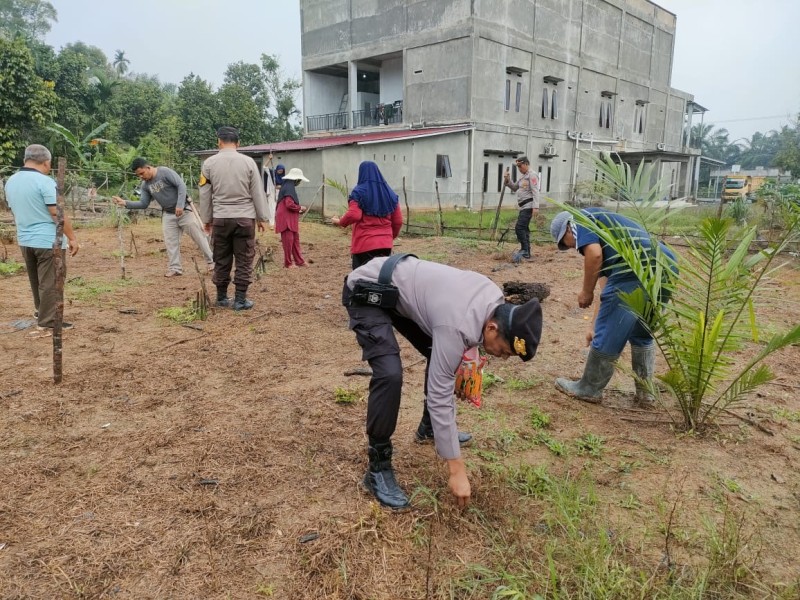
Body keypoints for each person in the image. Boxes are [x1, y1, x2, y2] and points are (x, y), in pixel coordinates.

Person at [343, 255, 543, 509]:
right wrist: (456, 469)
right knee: (389, 373)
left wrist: (463, 365)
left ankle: (429, 429)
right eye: (504, 351)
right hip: (367, 289)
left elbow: (466, 331)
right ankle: (377, 468)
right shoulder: (457, 324)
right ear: (492, 328)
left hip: (399, 290)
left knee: (437, 353)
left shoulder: (492, 298)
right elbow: (441, 393)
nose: (502, 357)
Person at [549, 209, 677, 406]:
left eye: (567, 245)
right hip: (664, 264)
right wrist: (593, 325)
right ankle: (646, 393)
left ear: (567, 230)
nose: (575, 248)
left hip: (635, 266)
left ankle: (589, 388)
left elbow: (594, 254)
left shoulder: (581, 220)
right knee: (641, 330)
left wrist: (586, 291)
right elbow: (606, 291)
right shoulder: (608, 233)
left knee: (610, 331)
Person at [5, 144, 80, 331]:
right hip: (47, 240)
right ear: (47, 162)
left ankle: (41, 311)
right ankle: (48, 321)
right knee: (52, 280)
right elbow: (56, 213)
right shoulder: (44, 182)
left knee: (36, 279)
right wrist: (72, 237)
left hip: (25, 238)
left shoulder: (11, 181)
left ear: (25, 160)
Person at [198, 126, 269, 310]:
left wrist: (206, 219)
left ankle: (221, 297)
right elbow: (257, 192)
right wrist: (262, 218)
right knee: (244, 258)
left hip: (221, 218)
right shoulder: (249, 162)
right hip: (245, 219)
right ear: (238, 143)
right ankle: (240, 300)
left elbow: (205, 194)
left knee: (221, 258)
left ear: (219, 142)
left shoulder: (208, 164)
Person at [112, 158, 213, 277]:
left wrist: (180, 205)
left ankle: (212, 262)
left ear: (148, 167)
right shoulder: (145, 186)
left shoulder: (165, 172)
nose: (141, 177)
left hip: (185, 212)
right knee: (171, 243)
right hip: (168, 215)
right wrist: (125, 203)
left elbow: (181, 186)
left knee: (200, 238)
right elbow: (143, 204)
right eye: (138, 175)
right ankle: (175, 268)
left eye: (142, 173)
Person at [331, 161, 403, 269]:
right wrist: (389, 237)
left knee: (361, 279)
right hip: (385, 245)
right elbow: (398, 221)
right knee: (380, 278)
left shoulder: (359, 192)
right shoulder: (390, 194)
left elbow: (354, 215)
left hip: (364, 244)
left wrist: (340, 221)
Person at [503, 156, 540, 262]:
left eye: (520, 166)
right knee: (524, 229)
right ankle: (527, 252)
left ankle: (524, 250)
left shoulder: (532, 175)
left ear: (526, 164)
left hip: (529, 206)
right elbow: (514, 187)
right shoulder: (522, 177)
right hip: (523, 207)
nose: (519, 168)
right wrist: (507, 179)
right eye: (518, 166)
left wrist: (536, 207)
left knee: (519, 228)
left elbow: (536, 191)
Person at [275, 167, 309, 268]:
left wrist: (298, 210)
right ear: (296, 179)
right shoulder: (289, 187)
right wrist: (300, 207)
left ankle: (299, 261)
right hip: (286, 219)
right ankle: (288, 263)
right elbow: (289, 204)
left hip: (290, 218)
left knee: (295, 240)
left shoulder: (288, 186)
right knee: (288, 242)